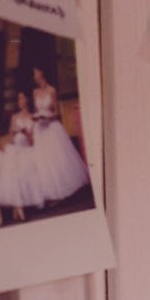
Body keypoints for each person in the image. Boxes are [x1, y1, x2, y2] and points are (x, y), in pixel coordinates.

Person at [30, 67, 91, 202]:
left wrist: (47, 118)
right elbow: (36, 110)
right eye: (33, 74)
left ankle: (64, 190)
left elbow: (57, 112)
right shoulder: (35, 92)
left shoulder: (52, 90)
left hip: (51, 126)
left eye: (35, 73)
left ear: (41, 73)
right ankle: (53, 193)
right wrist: (36, 118)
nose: (34, 76)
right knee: (46, 161)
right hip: (40, 130)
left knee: (57, 158)